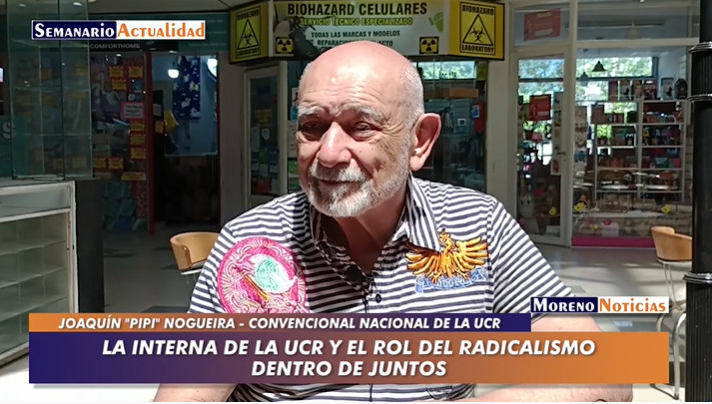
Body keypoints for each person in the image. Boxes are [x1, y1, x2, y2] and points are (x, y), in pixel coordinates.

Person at [155, 41, 632, 402]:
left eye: (361, 126)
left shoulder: (478, 225)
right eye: (312, 127)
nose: (328, 153)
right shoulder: (252, 244)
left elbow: (605, 373)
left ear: (420, 141)